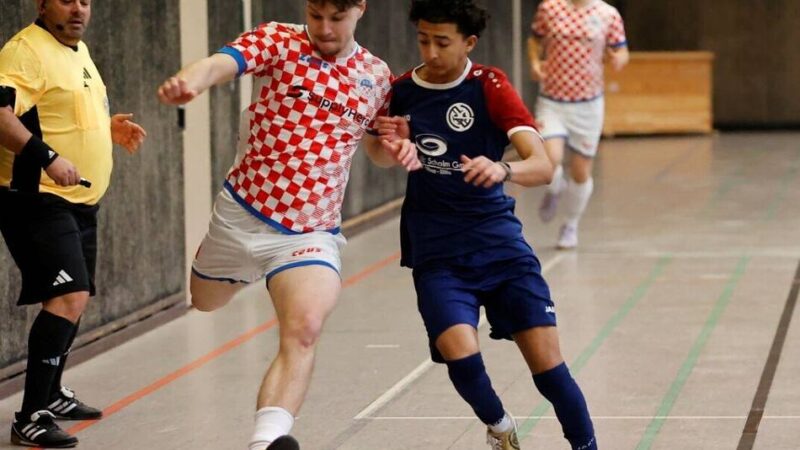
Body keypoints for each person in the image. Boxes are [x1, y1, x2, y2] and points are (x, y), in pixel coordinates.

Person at [157, 1, 417, 449]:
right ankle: (236, 272)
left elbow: (374, 147)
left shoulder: (376, 75)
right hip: (242, 216)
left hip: (310, 232)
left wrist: (392, 150)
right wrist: (192, 81)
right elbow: (225, 62)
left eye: (336, 18)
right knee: (205, 301)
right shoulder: (281, 40)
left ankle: (266, 440)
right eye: (316, 16)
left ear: (360, 10)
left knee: (305, 327)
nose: (325, 28)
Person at [374, 0, 597, 448]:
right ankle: (500, 427)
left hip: (499, 247)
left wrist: (503, 170)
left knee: (550, 371)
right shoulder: (401, 90)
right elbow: (379, 155)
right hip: (436, 251)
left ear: (468, 42)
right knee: (461, 356)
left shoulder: (490, 86)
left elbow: (543, 165)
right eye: (423, 40)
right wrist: (391, 146)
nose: (431, 52)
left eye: (443, 42)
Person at [0, 0, 147, 447]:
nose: (79, 9)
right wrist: (46, 158)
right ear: (43, 5)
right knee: (68, 296)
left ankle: (53, 393)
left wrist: (106, 127)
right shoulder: (27, 50)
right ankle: (30, 417)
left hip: (81, 201)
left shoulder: (75, 49)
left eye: (85, 0)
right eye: (67, 0)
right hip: (37, 199)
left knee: (75, 299)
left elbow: (61, 114)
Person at [528, 0, 628, 249]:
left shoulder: (607, 14)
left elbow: (622, 50)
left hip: (588, 105)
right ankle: (555, 185)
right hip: (553, 101)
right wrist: (534, 62)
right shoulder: (550, 8)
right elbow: (534, 40)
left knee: (581, 171)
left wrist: (619, 59)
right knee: (549, 160)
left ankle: (570, 224)